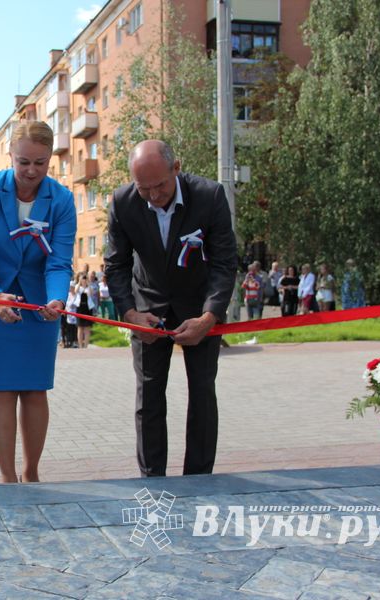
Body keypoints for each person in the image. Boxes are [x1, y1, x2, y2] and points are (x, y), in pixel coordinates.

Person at [104, 140, 236, 477]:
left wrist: (209, 316)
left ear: (176, 168)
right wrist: (131, 315)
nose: (153, 196)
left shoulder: (209, 196)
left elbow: (224, 262)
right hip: (147, 310)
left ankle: (198, 478)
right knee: (149, 395)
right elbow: (116, 265)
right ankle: (152, 478)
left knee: (202, 391)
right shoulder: (122, 202)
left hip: (198, 308)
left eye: (160, 186)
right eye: (143, 188)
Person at [0, 120, 76, 483]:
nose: (31, 171)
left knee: (35, 389)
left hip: (39, 307)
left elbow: (59, 261)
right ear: (9, 155)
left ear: (50, 158)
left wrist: (56, 299)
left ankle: (31, 473)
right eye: (23, 162)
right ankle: (8, 479)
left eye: (40, 163)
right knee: (2, 389)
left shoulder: (62, 200)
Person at [73, 273, 97, 348]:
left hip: (88, 308)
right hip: (80, 308)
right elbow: (75, 291)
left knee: (87, 328)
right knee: (80, 327)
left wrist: (88, 283)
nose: (84, 279)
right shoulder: (77, 286)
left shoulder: (89, 287)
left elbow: (91, 293)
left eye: (85, 278)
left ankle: (86, 346)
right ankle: (80, 346)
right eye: (82, 278)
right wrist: (79, 282)